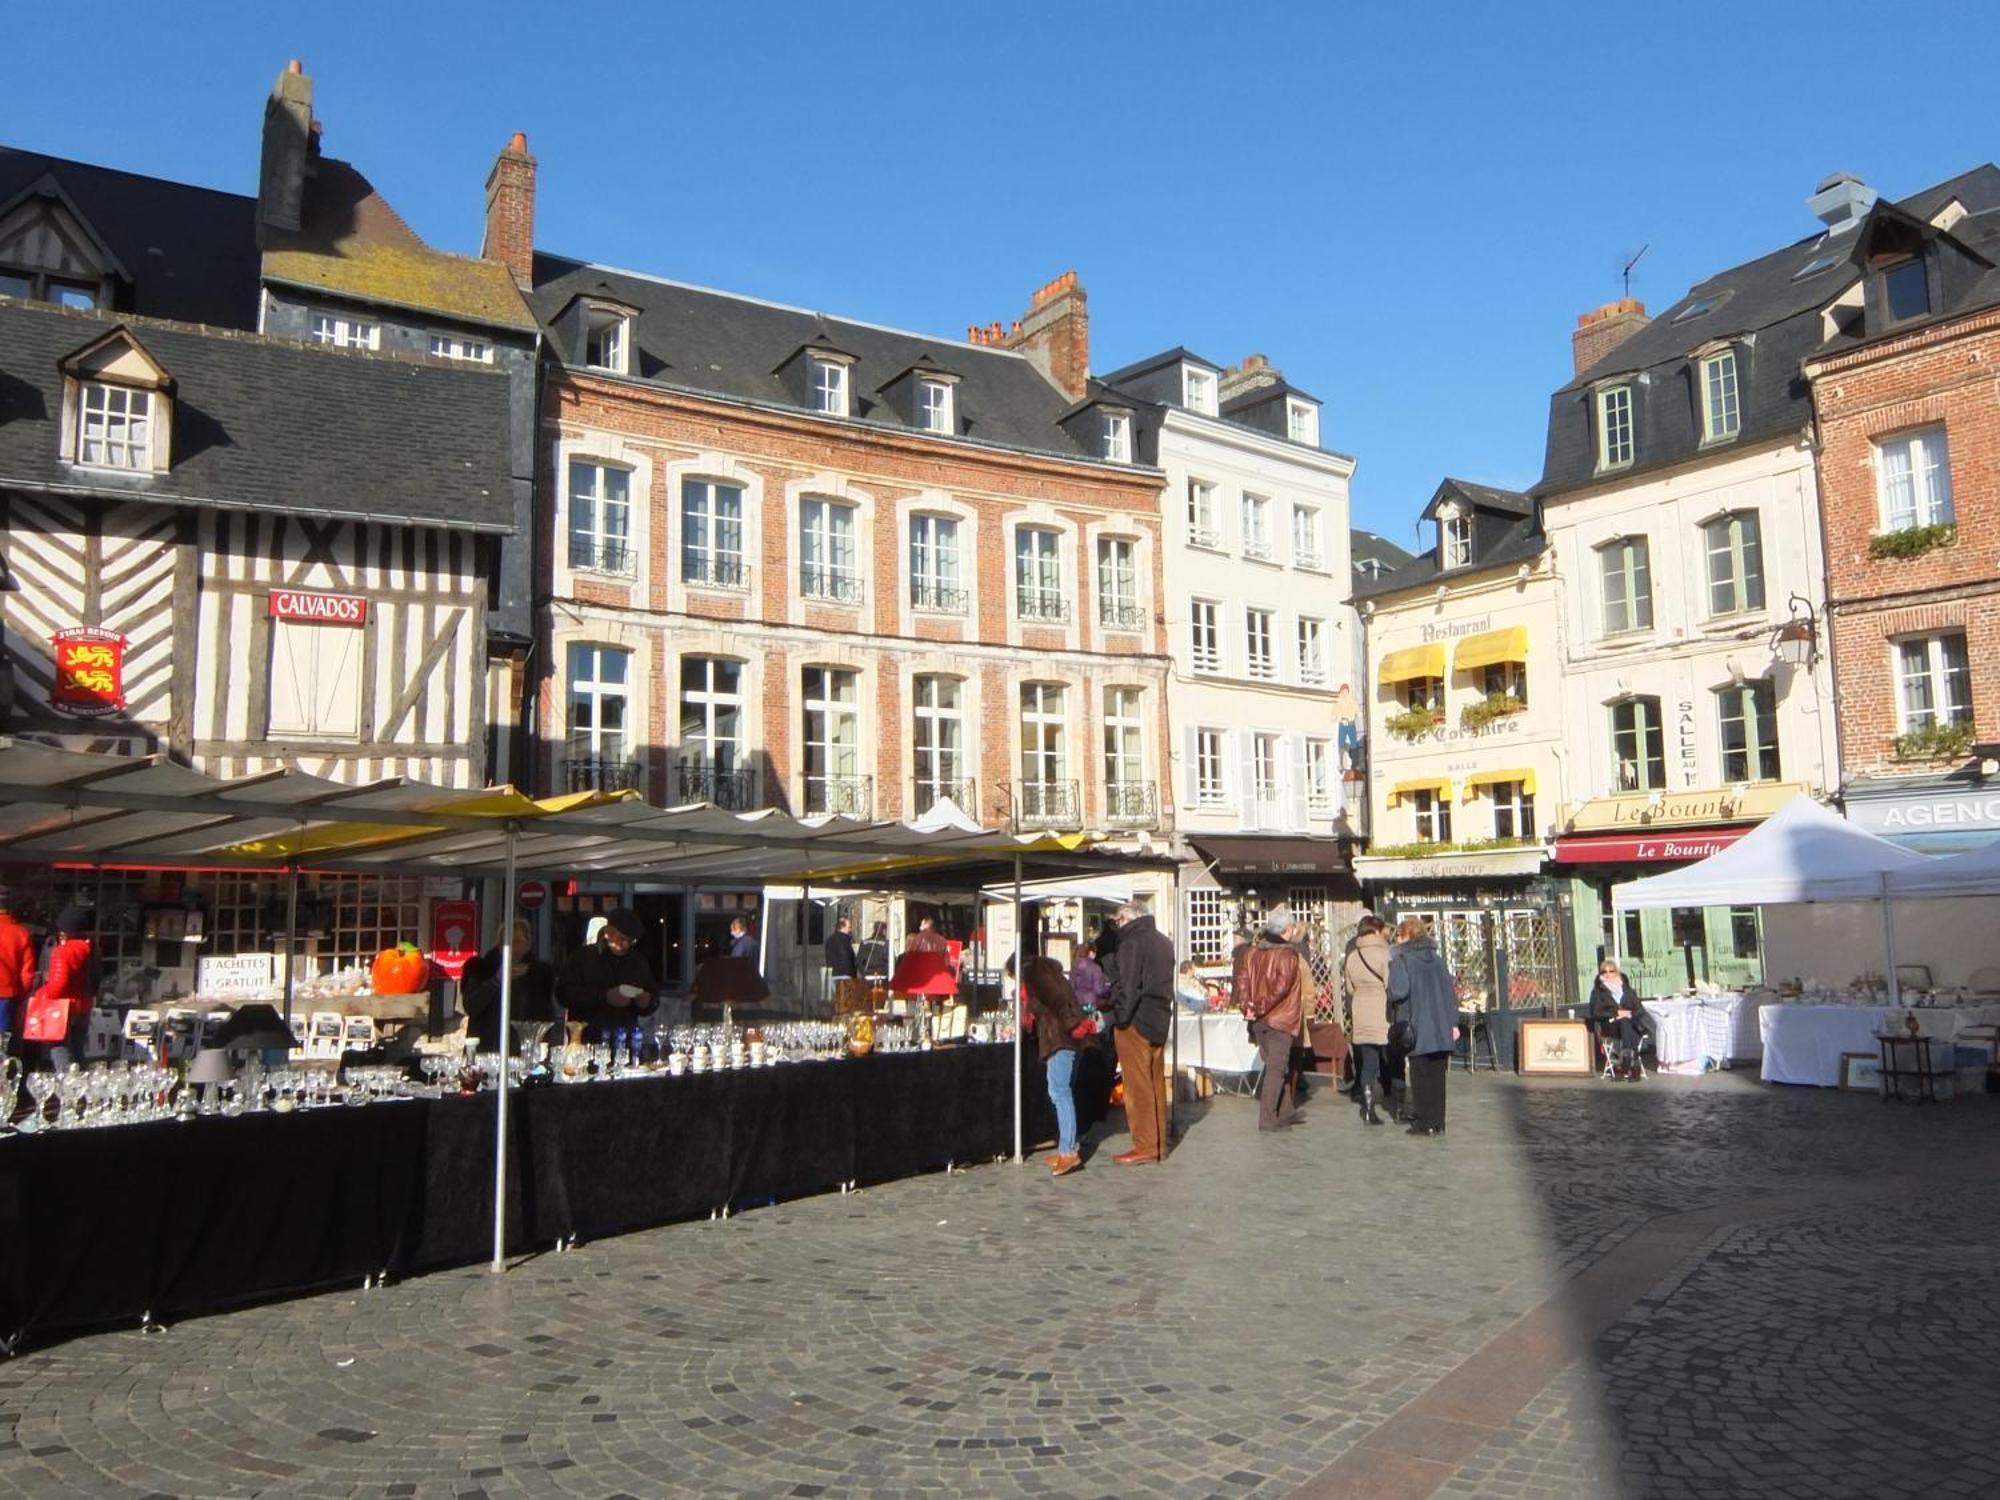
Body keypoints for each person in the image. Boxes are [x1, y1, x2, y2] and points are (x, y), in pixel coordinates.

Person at [1006, 953, 1091, 1177]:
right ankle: (1066, 1146)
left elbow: (1059, 1000)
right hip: (1062, 1038)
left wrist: (1072, 1025)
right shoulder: (1047, 973)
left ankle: (1069, 1152)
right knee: (1061, 1091)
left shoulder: (1037, 974)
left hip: (1060, 1039)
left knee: (1059, 1092)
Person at [1106, 900, 1172, 1164]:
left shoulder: (1132, 943)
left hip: (1136, 1020)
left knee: (1137, 1086)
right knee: (1155, 1083)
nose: (1117, 926)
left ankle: (1145, 1145)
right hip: (1159, 1017)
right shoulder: (1163, 941)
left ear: (1127, 918)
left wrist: (1119, 1017)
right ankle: (1159, 1143)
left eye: (1119, 921)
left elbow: (1128, 985)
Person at [1235, 909, 1310, 1131]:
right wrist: (1258, 1006)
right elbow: (1281, 988)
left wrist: (1247, 1006)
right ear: (1287, 930)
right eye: (1293, 927)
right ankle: (1267, 1119)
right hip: (1279, 1019)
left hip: (1259, 1020)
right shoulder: (1288, 954)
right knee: (1276, 1069)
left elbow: (1242, 982)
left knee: (1276, 1066)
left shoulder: (1252, 952)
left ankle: (1286, 1111)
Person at [1387, 915, 1459, 1137]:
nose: (1396, 939)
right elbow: (1449, 993)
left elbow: (1399, 991)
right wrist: (1453, 1022)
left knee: (1420, 1075)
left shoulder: (1402, 960)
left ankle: (1425, 1123)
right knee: (1438, 1075)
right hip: (1440, 1024)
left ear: (1407, 935)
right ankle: (1438, 1122)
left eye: (1398, 935)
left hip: (1416, 1024)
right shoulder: (1438, 959)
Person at [556, 908, 657, 1041]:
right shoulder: (583, 957)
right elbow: (564, 994)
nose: (625, 945)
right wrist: (605, 996)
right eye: (621, 938)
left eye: (630, 941)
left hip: (624, 1040)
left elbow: (652, 994)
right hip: (589, 1039)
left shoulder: (638, 961)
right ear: (608, 932)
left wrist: (647, 1002)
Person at [460, 919, 558, 1053]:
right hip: (488, 1048)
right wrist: (496, 981)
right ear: (499, 945)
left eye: (518, 942)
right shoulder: (481, 969)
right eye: (507, 941)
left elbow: (546, 1015)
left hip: (525, 1047)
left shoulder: (539, 974)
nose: (512, 947)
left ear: (527, 944)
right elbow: (471, 1005)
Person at [25, 905, 96, 1073]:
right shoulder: (92, 949)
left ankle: (65, 1086)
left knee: (58, 1049)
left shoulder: (62, 952)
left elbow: (58, 986)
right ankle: (82, 1089)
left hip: (63, 1009)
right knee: (78, 1051)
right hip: (84, 1005)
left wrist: (40, 993)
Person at [1341, 914, 1393, 1126]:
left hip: (1360, 1009)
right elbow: (1392, 984)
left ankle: (1368, 1106)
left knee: (1368, 1062)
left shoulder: (1352, 956)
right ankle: (1393, 1096)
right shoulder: (1385, 954)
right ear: (1377, 931)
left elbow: (1349, 987)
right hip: (1382, 1009)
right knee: (1389, 1055)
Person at [1589, 957, 1646, 1080]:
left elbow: (1640, 1010)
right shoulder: (1598, 991)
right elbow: (1596, 1012)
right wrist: (1616, 1012)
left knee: (1627, 1023)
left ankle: (1626, 1063)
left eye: (1611, 971)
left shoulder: (1627, 990)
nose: (1608, 974)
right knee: (1625, 1023)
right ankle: (1632, 1064)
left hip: (1629, 1024)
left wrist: (1629, 1014)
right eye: (1604, 972)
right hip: (1610, 1025)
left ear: (1617, 972)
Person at [0, 885, 34, 1044]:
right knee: (3, 1042)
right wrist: (21, 996)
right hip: (8, 994)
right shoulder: (21, 933)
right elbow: (27, 974)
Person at [825, 915, 868, 1015]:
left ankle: (838, 1019)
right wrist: (855, 975)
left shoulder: (829, 940)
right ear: (842, 927)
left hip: (833, 975)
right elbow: (848, 959)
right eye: (849, 927)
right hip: (845, 975)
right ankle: (845, 1021)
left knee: (838, 1002)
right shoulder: (844, 940)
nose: (850, 930)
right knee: (847, 1005)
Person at [1070, 943, 1109, 1018]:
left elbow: (1071, 986)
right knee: (1091, 1027)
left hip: (1077, 1002)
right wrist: (1107, 987)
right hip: (1090, 1004)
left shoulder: (1074, 967)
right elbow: (1099, 990)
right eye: (1095, 952)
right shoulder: (1095, 968)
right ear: (1090, 953)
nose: (1095, 955)